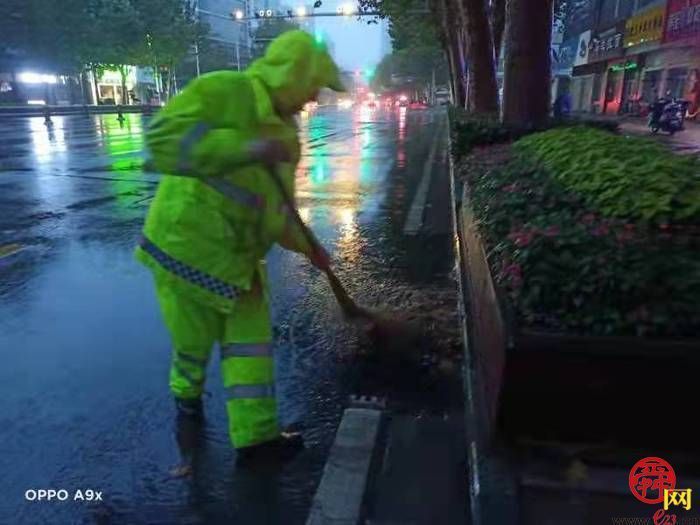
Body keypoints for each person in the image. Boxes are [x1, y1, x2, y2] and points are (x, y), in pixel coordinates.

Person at [135, 30, 345, 463]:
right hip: (186, 247)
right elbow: (161, 142)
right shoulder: (223, 91)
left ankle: (257, 438)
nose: (313, 99)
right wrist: (247, 147)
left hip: (238, 261)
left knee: (251, 346)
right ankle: (185, 396)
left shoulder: (287, 138)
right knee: (193, 341)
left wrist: (310, 248)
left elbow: (275, 211)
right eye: (312, 87)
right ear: (292, 74)